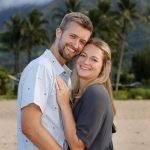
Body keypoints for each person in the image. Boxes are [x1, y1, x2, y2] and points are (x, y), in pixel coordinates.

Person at [17, 12, 93, 150]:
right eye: (73, 36)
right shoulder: (41, 67)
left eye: (82, 41)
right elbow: (29, 126)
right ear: (59, 32)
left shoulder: (64, 75)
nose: (76, 45)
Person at [56, 38, 116, 150]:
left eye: (94, 59)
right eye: (83, 55)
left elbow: (77, 146)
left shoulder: (95, 93)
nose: (86, 62)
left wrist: (64, 105)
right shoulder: (79, 93)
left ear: (103, 67)